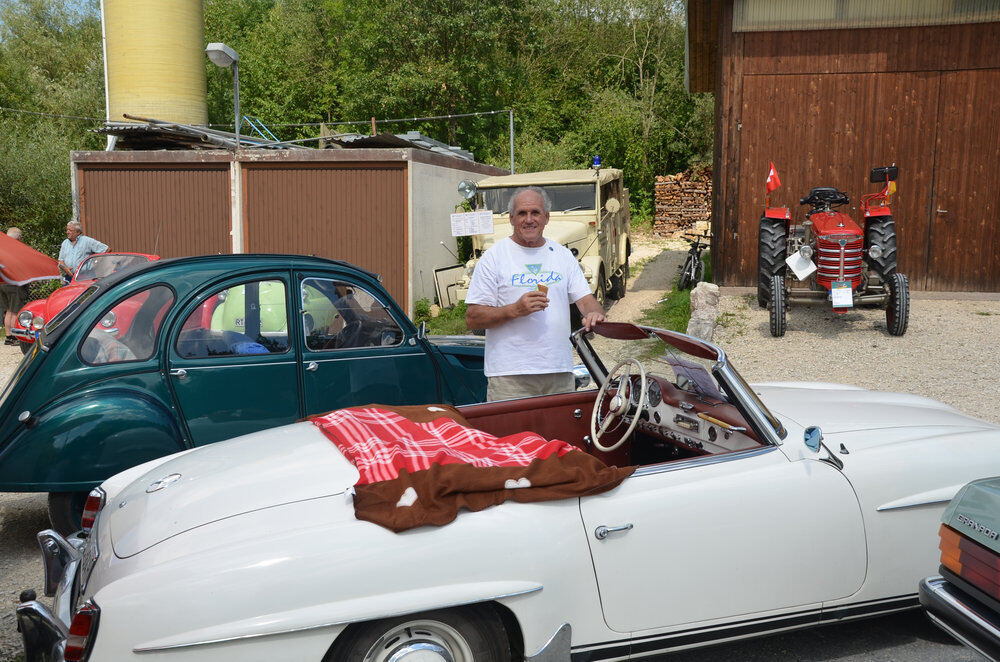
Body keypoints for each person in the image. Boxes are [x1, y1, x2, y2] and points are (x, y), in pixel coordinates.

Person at [465, 187, 606, 401]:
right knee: (514, 436)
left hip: (559, 373)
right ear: (511, 218)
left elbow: (587, 301)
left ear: (546, 217)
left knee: (558, 434)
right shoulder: (494, 257)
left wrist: (595, 313)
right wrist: (515, 309)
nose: (529, 219)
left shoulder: (563, 256)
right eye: (522, 213)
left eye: (535, 212)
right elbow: (473, 318)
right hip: (509, 377)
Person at [1, 227, 29, 344]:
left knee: (8, 310)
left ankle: (8, 336)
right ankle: (14, 336)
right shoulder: (18, 249)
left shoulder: (3, 248)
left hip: (2, 283)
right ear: (18, 237)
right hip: (14, 283)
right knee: (15, 310)